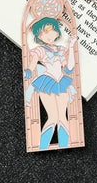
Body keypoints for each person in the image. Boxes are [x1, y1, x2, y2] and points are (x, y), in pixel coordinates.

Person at [24, 17, 77, 149]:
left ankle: (64, 145)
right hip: (46, 82)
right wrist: (28, 72)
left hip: (61, 82)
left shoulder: (61, 49)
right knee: (53, 117)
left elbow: (69, 68)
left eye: (48, 30)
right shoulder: (40, 50)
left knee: (62, 117)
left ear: (56, 31)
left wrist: (71, 47)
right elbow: (32, 65)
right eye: (41, 33)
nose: (45, 35)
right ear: (38, 37)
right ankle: (42, 146)